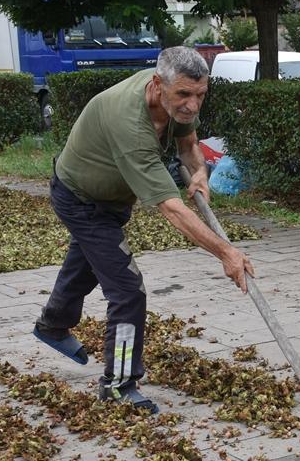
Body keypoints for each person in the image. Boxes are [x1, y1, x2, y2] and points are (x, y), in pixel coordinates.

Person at [32, 46, 254, 414]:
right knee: (128, 291)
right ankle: (118, 384)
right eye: (184, 95)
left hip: (113, 199)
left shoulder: (177, 100)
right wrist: (226, 253)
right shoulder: (131, 123)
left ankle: (53, 325)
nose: (193, 105)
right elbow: (171, 209)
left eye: (200, 95)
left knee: (87, 263)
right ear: (157, 85)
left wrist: (199, 171)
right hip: (81, 199)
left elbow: (188, 144)